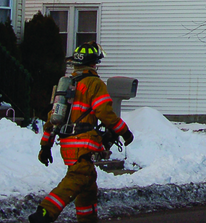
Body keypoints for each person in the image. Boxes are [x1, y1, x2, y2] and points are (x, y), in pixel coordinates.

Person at [29, 41, 133, 223]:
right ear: (94, 63)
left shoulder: (67, 85)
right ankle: (45, 212)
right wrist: (124, 132)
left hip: (68, 144)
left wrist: (45, 146)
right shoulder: (94, 83)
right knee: (78, 178)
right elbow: (105, 113)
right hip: (82, 144)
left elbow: (51, 119)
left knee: (88, 185)